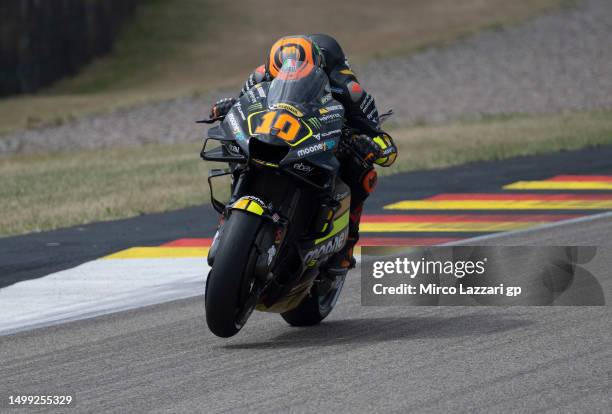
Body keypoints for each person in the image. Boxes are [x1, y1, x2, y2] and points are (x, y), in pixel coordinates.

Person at [210, 34, 397, 279]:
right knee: (239, 150)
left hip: (322, 133)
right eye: (276, 77)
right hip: (276, 133)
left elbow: (380, 137)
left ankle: (347, 244)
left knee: (360, 170)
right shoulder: (260, 75)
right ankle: (229, 219)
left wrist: (371, 144)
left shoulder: (346, 86)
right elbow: (244, 104)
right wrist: (227, 107)